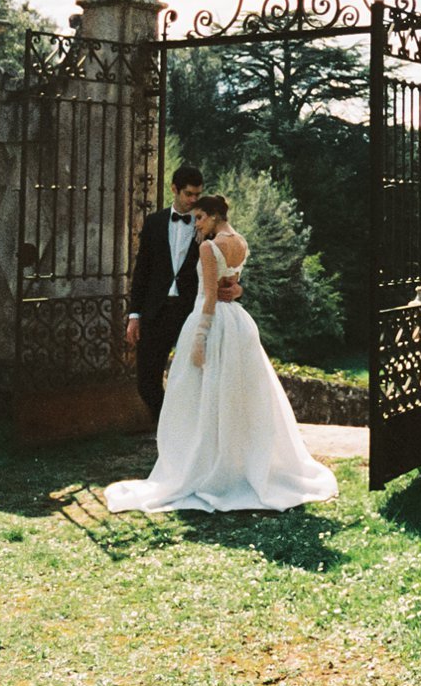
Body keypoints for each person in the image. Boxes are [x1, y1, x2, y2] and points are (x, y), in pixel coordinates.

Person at [106, 193, 339, 513]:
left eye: (201, 218)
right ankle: (235, 460)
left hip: (210, 322)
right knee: (233, 393)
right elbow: (234, 285)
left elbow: (212, 297)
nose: (197, 224)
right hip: (238, 324)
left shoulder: (208, 246)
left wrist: (200, 337)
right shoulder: (241, 243)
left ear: (214, 216)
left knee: (198, 393)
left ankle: (205, 463)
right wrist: (236, 291)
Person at [126, 165, 237, 422]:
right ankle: (168, 427)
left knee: (197, 379)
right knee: (147, 381)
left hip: (193, 311)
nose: (194, 200)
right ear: (174, 189)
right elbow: (142, 271)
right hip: (156, 311)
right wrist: (134, 314)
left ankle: (188, 436)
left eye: (198, 194)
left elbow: (230, 261)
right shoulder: (154, 223)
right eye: (188, 194)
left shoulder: (209, 225)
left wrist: (238, 288)